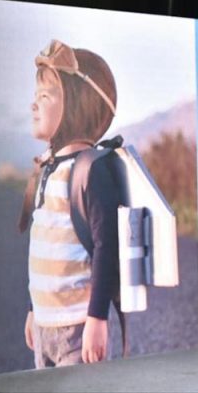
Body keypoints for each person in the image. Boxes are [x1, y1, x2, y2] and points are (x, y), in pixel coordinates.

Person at [17, 39, 120, 368]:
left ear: (76, 106)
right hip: (44, 325)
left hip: (78, 327)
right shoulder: (46, 168)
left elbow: (107, 246)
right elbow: (41, 244)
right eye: (36, 96)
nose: (33, 105)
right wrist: (33, 309)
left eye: (45, 96)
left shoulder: (89, 169)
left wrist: (97, 318)